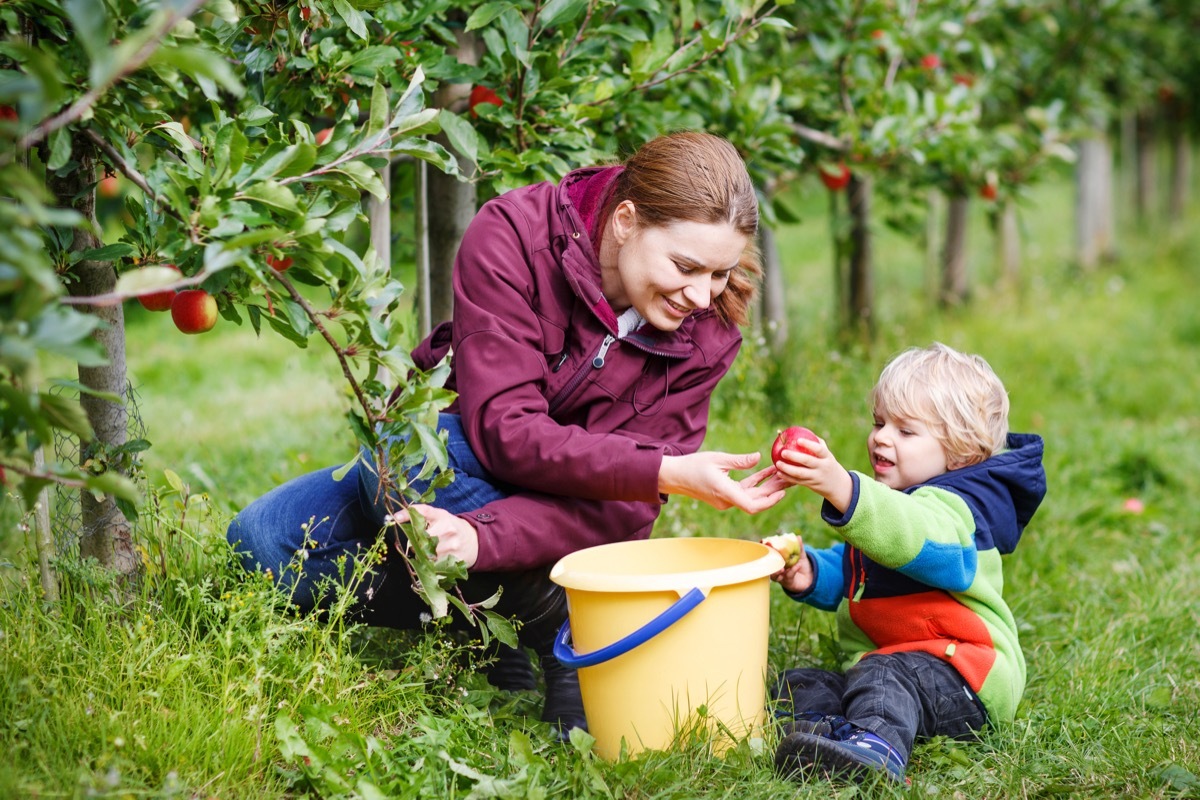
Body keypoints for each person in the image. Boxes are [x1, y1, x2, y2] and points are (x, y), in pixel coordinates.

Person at [227, 131, 789, 740]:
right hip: (469, 462)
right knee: (270, 538)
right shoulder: (515, 235)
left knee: (400, 473)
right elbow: (503, 429)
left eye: (719, 273)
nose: (701, 295)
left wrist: (483, 536)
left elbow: (620, 514)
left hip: (570, 517)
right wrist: (657, 470)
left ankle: (537, 622)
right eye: (685, 267)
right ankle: (531, 622)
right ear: (626, 220)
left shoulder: (704, 332)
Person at [764, 342, 1046, 784]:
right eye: (879, 423)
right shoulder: (897, 507)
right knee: (803, 681)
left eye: (906, 431)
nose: (881, 437)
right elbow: (866, 567)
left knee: (881, 675)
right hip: (899, 667)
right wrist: (811, 573)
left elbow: (914, 539)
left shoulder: (960, 512)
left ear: (959, 453)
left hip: (966, 677)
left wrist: (845, 488)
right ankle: (824, 738)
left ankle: (874, 751)